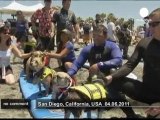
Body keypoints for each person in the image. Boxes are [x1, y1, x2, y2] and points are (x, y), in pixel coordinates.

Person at [67, 24, 139, 118]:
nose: (96, 38)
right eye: (94, 35)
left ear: (105, 36)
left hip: (111, 80)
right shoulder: (88, 49)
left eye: (99, 36)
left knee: (115, 92)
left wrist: (99, 64)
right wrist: (68, 74)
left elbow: (118, 60)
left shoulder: (112, 46)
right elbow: (77, 64)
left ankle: (131, 115)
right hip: (95, 80)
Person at [104, 8, 160, 118]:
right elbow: (129, 65)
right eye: (150, 24)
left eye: (155, 24)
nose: (150, 27)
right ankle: (131, 115)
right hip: (146, 91)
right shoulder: (144, 43)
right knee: (112, 83)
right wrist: (111, 77)